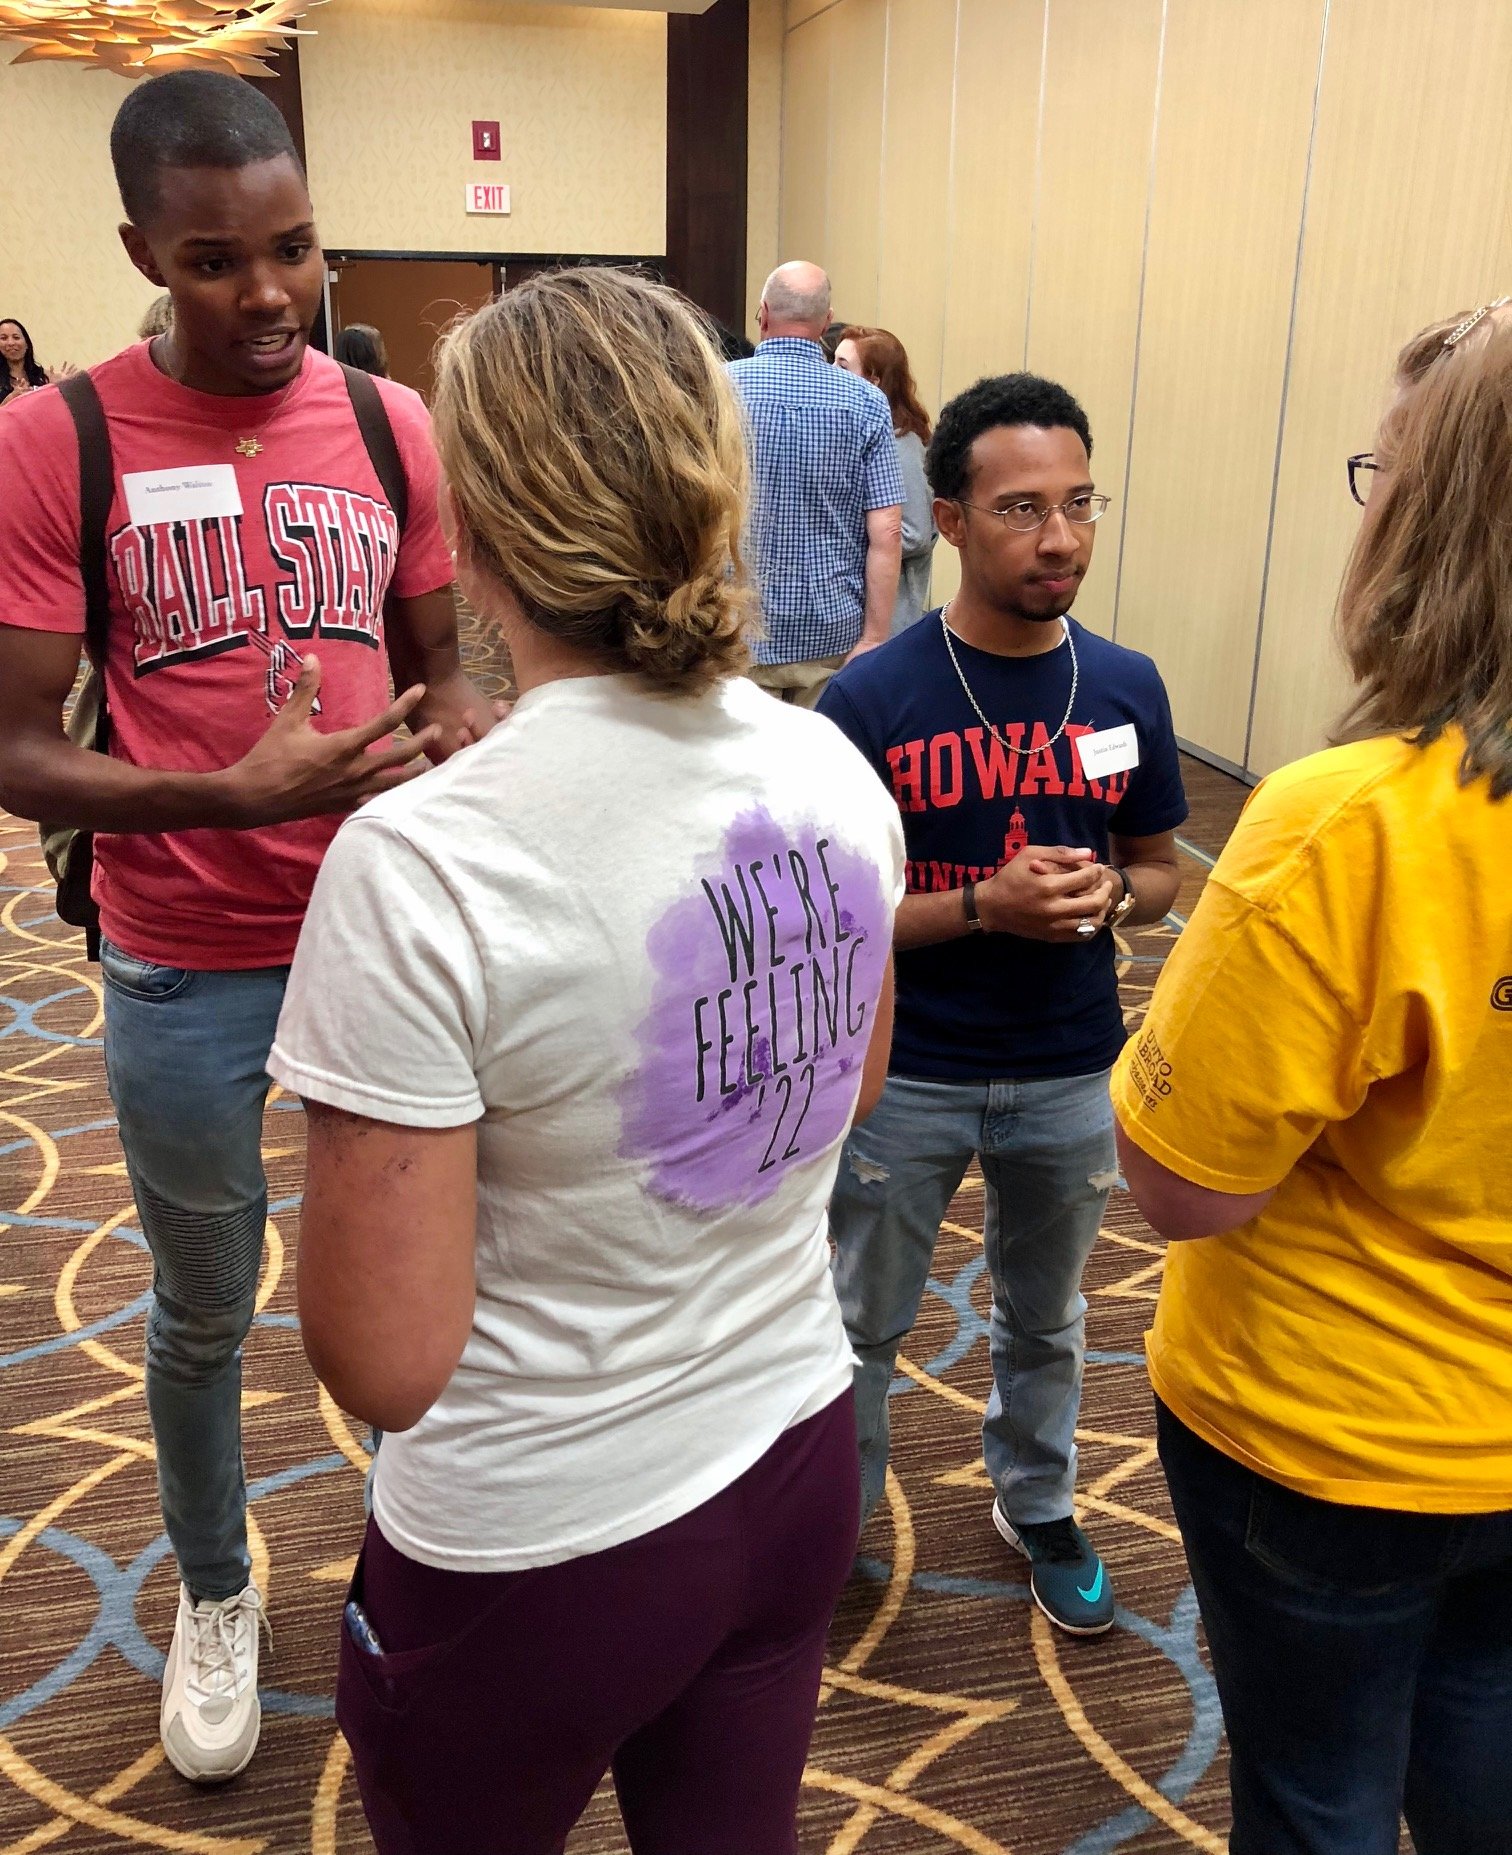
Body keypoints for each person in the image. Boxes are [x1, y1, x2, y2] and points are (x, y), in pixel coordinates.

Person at [267, 266, 904, 1855]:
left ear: (469, 525)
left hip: (539, 1545)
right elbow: (849, 1087)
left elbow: (386, 1359)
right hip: (796, 1456)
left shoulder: (423, 862)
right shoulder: (831, 763)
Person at [0, 70, 493, 1785]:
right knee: (208, 1306)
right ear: (143, 247)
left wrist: (470, 740)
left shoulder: (388, 425)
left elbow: (442, 679)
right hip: (184, 960)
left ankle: (458, 1570)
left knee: (448, 1288)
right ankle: (217, 1589)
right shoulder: (54, 438)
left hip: (386, 936)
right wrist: (231, 793)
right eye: (216, 261)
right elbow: (15, 749)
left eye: (292, 249)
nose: (268, 292)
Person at [1112, 303, 1512, 1854]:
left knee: (1320, 1799)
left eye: (1386, 474)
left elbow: (1185, 1183)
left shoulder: (1346, 824)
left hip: (1331, 1441)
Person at [817, 372, 1187, 1636]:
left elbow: (1158, 868)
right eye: (1023, 507)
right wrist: (984, 908)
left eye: (1080, 503)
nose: (1062, 536)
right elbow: (834, 917)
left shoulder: (1125, 683)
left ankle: (1038, 1502)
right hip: (904, 1067)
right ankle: (834, 1522)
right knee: (860, 1320)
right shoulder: (872, 701)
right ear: (952, 521)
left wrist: (1109, 903)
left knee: (1051, 1315)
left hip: (1074, 1063)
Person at [728, 261, 903, 708]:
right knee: (816, 773)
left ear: (762, 313)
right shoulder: (867, 402)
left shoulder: (716, 388)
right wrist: (875, 638)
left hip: (735, 631)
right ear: (826, 322)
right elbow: (886, 531)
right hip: (832, 635)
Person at [836, 325, 936, 632]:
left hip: (892, 619)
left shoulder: (900, 442)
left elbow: (916, 533)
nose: (830, 374)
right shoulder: (860, 432)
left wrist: (843, 535)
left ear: (873, 380)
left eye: (841, 366)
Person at [0, 317, 71, 403]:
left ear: (27, 344)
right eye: (4, 338)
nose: (11, 343)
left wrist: (60, 388)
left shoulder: (45, 376)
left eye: (16, 337)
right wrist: (10, 400)